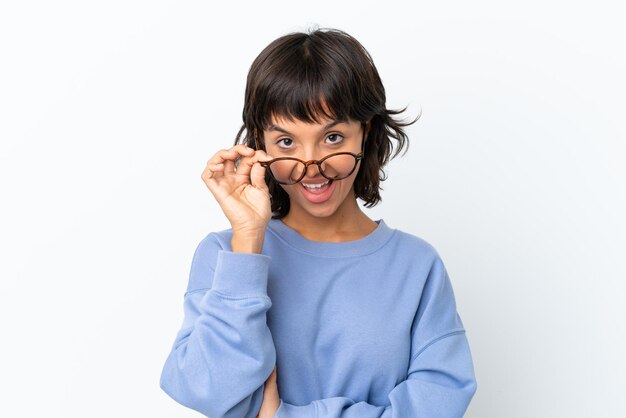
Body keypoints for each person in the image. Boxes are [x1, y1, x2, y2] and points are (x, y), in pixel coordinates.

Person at [159, 27, 477, 418]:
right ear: (261, 144)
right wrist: (248, 240)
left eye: (332, 137)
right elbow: (204, 387)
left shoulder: (417, 265)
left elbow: (439, 404)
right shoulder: (226, 254)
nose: (312, 167)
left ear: (366, 133)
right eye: (287, 142)